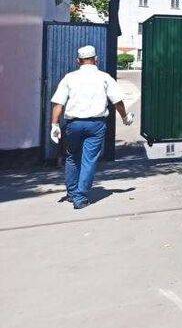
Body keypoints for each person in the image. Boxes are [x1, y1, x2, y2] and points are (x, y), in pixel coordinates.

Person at [49, 45, 134, 209]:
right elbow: (117, 101)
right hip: (96, 125)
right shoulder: (104, 77)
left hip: (74, 124)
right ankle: (80, 197)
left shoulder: (69, 78)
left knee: (72, 157)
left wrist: (54, 124)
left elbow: (58, 103)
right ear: (96, 60)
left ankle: (72, 193)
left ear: (78, 61)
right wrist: (125, 117)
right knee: (89, 160)